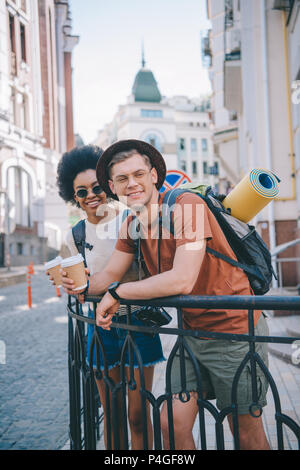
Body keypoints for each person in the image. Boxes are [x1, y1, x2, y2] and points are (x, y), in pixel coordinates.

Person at [62, 139, 270, 451]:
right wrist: (78, 285)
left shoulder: (188, 205)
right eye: (121, 179)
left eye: (138, 174)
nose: (131, 184)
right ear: (112, 186)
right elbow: (107, 276)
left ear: (154, 175)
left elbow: (182, 279)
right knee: (171, 424)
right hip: (192, 335)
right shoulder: (131, 223)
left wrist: (119, 293)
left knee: (245, 435)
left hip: (236, 333)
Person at [55, 144, 165, 450]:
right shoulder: (74, 236)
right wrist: (68, 284)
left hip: (138, 325)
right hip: (99, 329)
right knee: (113, 414)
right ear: (73, 197)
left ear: (108, 185)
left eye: (96, 186)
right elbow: (81, 287)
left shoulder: (129, 220)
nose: (90, 195)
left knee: (138, 416)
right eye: (81, 191)